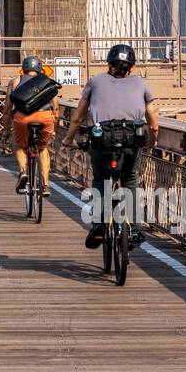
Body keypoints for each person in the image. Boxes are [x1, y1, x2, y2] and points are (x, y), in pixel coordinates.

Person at [62, 43, 159, 250]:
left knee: (100, 179)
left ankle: (98, 225)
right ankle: (132, 228)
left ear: (108, 64)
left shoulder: (95, 82)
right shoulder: (141, 84)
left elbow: (78, 117)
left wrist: (68, 139)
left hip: (102, 141)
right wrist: (151, 141)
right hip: (132, 141)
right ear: (131, 68)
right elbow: (153, 123)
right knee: (130, 179)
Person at [7, 55, 57, 196]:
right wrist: (55, 121)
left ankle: (23, 172)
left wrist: (5, 131)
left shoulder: (15, 81)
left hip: (23, 118)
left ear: (23, 69)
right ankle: (46, 185)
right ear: (40, 69)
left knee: (19, 145)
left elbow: (7, 110)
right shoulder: (46, 81)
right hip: (45, 117)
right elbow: (56, 106)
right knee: (43, 148)